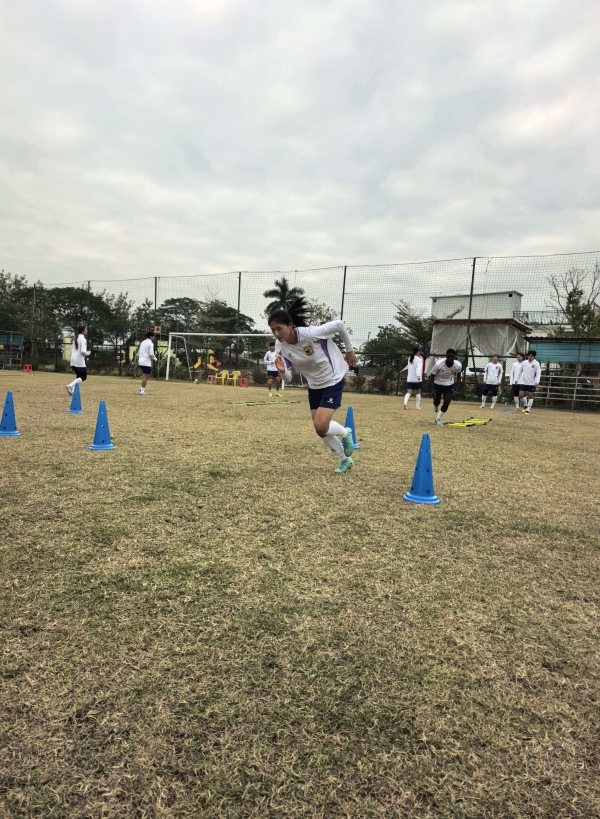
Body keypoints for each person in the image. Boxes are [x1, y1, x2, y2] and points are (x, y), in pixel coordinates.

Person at [269, 298, 357, 474]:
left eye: (279, 328)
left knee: (321, 425)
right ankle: (345, 459)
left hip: (332, 380)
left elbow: (339, 325)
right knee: (320, 430)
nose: (276, 334)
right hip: (314, 386)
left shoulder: (311, 333)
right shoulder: (280, 348)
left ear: (290, 326)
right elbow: (288, 379)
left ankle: (345, 433)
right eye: (273, 330)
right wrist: (282, 371)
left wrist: (349, 349)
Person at [429, 348, 462, 426]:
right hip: (438, 383)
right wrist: (433, 389)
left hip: (449, 384)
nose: (450, 359)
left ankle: (438, 418)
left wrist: (456, 385)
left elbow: (459, 375)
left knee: (447, 402)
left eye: (452, 357)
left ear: (454, 357)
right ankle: (435, 404)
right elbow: (432, 375)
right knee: (437, 401)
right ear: (446, 356)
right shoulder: (439, 364)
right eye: (449, 357)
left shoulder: (458, 365)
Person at [65, 325, 90, 395]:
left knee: (78, 376)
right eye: (86, 329)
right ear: (83, 331)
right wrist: (87, 353)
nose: (86, 330)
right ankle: (70, 385)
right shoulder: (83, 339)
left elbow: (72, 349)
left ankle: (73, 391)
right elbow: (83, 351)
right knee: (83, 377)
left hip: (73, 359)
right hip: (79, 360)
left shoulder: (76, 338)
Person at [137, 330, 157, 395]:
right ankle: (142, 390)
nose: (154, 337)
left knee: (145, 376)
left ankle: (141, 388)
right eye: (154, 336)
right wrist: (155, 358)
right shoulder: (150, 343)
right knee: (145, 376)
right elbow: (151, 353)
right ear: (151, 337)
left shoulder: (143, 342)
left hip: (141, 361)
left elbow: (139, 351)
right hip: (146, 362)